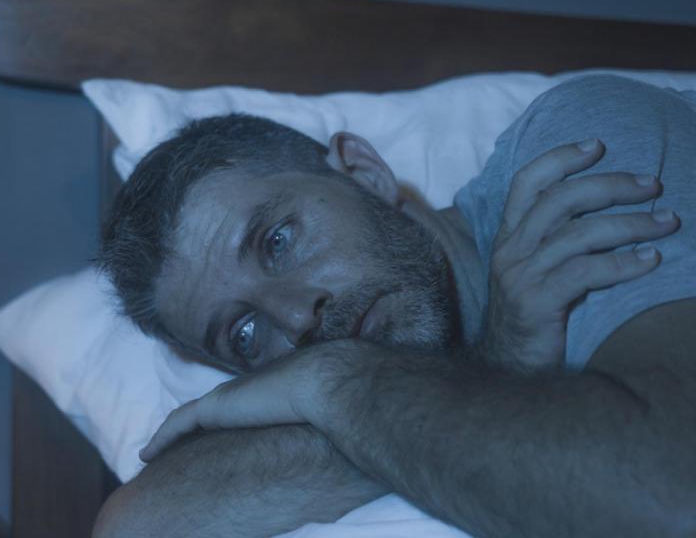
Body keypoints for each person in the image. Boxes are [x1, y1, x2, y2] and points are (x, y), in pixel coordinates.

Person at [93, 75, 696, 538]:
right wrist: (491, 362)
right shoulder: (348, 374)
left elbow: (672, 496)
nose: (297, 319)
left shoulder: (573, 156)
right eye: (246, 333)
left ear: (364, 172)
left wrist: (338, 385)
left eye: (278, 241)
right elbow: (132, 526)